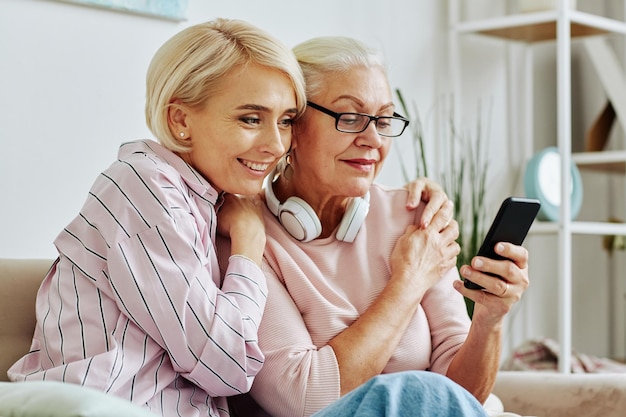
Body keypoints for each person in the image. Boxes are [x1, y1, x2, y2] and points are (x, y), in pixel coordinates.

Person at [7, 18, 481, 417]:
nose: (276, 144)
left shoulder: (217, 203)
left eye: (285, 120)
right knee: (420, 397)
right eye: (251, 119)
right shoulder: (145, 186)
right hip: (104, 405)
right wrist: (250, 248)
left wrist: (489, 314)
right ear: (180, 121)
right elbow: (226, 367)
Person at [231, 36, 530, 417]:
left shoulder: (413, 216)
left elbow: (461, 398)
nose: (373, 140)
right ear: (294, 125)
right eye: (350, 117)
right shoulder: (248, 237)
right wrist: (408, 282)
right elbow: (308, 401)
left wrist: (490, 317)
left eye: (384, 120)